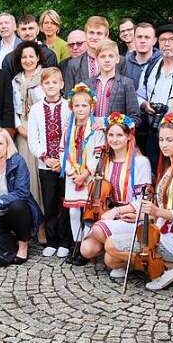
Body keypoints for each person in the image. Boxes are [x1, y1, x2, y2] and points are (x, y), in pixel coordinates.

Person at [104, 113, 173, 291]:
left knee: (110, 245)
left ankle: (169, 268)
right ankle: (149, 265)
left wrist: (157, 212)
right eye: (161, 139)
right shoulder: (168, 167)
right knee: (110, 260)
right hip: (159, 232)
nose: (164, 144)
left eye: (169, 140)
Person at [73, 113, 152, 265]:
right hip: (107, 213)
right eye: (111, 135)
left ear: (129, 136)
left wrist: (117, 211)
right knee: (86, 249)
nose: (114, 139)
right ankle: (115, 252)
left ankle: (123, 253)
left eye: (119, 135)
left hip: (130, 214)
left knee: (97, 229)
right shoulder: (104, 160)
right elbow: (94, 180)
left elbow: (142, 200)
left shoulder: (140, 162)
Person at [0, 128, 43, 264]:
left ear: (7, 145)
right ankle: (9, 241)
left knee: (17, 206)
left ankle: (23, 245)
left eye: (0, 143)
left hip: (16, 212)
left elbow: (22, 193)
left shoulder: (18, 162)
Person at [27, 68, 73, 257]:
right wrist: (45, 156)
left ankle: (65, 240)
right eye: (47, 83)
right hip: (45, 165)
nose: (51, 86)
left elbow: (72, 135)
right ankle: (52, 240)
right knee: (50, 202)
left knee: (65, 201)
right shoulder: (36, 109)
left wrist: (62, 160)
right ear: (42, 86)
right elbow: (33, 138)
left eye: (55, 82)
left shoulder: (69, 106)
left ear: (61, 85)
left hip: (65, 165)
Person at [137, 24, 173, 170]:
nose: (167, 44)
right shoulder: (150, 68)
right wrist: (144, 105)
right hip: (154, 131)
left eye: (172, 39)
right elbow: (139, 95)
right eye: (163, 40)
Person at [61, 85, 104, 257]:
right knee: (73, 210)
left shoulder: (96, 130)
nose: (80, 109)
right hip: (73, 177)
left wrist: (85, 174)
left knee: (87, 211)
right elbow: (62, 152)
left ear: (91, 107)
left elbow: (98, 153)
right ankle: (76, 244)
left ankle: (86, 245)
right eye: (77, 105)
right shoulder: (68, 130)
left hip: (89, 177)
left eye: (84, 105)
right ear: (72, 107)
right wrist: (72, 173)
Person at [12, 41, 46, 207]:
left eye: (31, 56)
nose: (27, 60)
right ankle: (30, 216)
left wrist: (36, 130)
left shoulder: (46, 76)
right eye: (24, 57)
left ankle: (45, 219)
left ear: (38, 57)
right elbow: (13, 108)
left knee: (43, 174)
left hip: (43, 129)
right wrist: (19, 127)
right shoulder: (16, 80)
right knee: (27, 173)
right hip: (23, 130)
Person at [63, 16, 128, 90]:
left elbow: (126, 91)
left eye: (99, 33)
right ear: (85, 34)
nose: (94, 37)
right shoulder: (74, 65)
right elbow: (69, 95)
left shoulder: (120, 61)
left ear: (106, 36)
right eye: (91, 33)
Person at [90, 40, 139, 124]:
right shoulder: (88, 84)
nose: (107, 60)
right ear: (96, 59)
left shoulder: (126, 83)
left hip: (114, 134)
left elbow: (135, 118)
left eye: (111, 56)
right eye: (102, 56)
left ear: (117, 59)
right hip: (91, 134)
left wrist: (108, 124)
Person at [124, 22, 160, 87]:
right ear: (134, 39)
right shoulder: (124, 64)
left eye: (147, 37)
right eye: (139, 37)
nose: (142, 40)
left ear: (154, 41)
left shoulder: (162, 62)